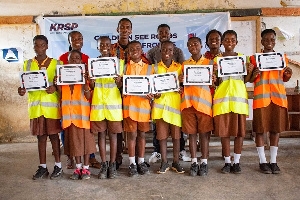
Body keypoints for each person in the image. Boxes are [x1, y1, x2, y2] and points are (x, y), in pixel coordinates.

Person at [18, 35, 63, 180]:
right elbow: (24, 84)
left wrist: (55, 87)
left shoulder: (57, 63)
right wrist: (21, 90)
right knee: (41, 137)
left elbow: (61, 85)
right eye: (36, 45)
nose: (39, 48)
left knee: (54, 137)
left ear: (47, 46)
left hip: (51, 107)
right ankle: (43, 167)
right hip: (36, 108)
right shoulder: (28, 64)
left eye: (42, 45)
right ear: (33, 47)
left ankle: (58, 166)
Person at [249, 29, 292, 174]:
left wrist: (288, 74)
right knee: (260, 130)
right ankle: (262, 161)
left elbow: (284, 78)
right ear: (261, 41)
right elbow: (250, 79)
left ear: (275, 41)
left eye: (272, 40)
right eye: (266, 40)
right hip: (262, 98)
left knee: (275, 129)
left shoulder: (282, 58)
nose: (269, 42)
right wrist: (254, 73)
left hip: (278, 98)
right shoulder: (254, 59)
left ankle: (273, 161)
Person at [147, 24, 190, 163]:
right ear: (157, 35)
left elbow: (182, 72)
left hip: (174, 96)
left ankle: (180, 152)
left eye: (166, 32)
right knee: (158, 129)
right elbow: (150, 73)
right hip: (159, 96)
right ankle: (157, 151)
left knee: (178, 130)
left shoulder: (177, 51)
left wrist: (180, 84)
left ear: (170, 34)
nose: (164, 34)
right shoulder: (152, 52)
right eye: (161, 32)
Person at [213, 30, 254, 174]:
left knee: (239, 133)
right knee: (224, 133)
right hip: (223, 101)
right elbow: (216, 82)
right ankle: (226, 162)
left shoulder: (243, 58)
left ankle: (236, 162)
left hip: (239, 100)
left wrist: (249, 70)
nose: (229, 42)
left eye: (232, 40)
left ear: (236, 42)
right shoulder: (217, 59)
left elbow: (247, 79)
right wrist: (215, 72)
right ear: (222, 42)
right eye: (227, 40)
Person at [59, 30, 100, 169]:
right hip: (68, 106)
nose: (77, 41)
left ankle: (90, 159)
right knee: (68, 133)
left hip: (82, 105)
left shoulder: (87, 58)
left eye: (80, 38)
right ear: (69, 41)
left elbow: (89, 82)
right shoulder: (62, 57)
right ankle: (71, 158)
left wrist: (88, 81)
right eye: (74, 39)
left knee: (86, 135)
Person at [55, 50, 97, 180]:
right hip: (69, 117)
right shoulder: (64, 76)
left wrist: (85, 82)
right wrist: (57, 84)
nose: (74, 61)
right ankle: (78, 168)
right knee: (74, 143)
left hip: (83, 116)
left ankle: (86, 168)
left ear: (81, 61)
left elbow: (89, 95)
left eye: (77, 58)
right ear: (67, 61)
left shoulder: (85, 76)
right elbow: (61, 95)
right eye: (71, 59)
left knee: (85, 144)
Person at [180, 37, 216, 176]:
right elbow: (180, 85)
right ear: (187, 48)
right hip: (188, 104)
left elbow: (215, 84)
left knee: (204, 135)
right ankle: (194, 162)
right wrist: (181, 81)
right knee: (191, 135)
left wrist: (213, 80)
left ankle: (204, 162)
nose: (193, 46)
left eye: (195, 44)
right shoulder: (184, 65)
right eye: (189, 44)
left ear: (201, 46)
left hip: (204, 105)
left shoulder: (209, 63)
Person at [90, 36, 123, 179]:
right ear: (97, 47)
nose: (104, 47)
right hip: (98, 106)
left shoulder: (119, 63)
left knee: (114, 136)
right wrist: (91, 81)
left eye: (107, 45)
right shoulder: (93, 64)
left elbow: (121, 86)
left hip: (114, 106)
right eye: (101, 45)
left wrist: (119, 81)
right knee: (101, 135)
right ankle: (104, 164)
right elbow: (91, 86)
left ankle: (112, 165)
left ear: (112, 47)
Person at [122, 41, 154, 177]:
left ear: (142, 51)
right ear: (128, 53)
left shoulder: (150, 68)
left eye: (137, 48)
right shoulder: (123, 68)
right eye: (131, 49)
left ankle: (140, 161)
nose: (134, 51)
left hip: (143, 107)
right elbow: (120, 85)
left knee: (141, 135)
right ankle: (131, 163)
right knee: (132, 135)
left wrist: (152, 94)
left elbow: (153, 87)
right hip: (129, 107)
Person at [153, 41, 185, 174]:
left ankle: (176, 162)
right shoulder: (154, 68)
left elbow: (185, 86)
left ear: (174, 52)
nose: (167, 52)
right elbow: (151, 87)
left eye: (170, 50)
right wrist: (155, 92)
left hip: (175, 106)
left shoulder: (179, 68)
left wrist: (181, 87)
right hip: (160, 107)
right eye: (164, 50)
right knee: (162, 137)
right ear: (160, 51)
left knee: (177, 136)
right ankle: (164, 162)